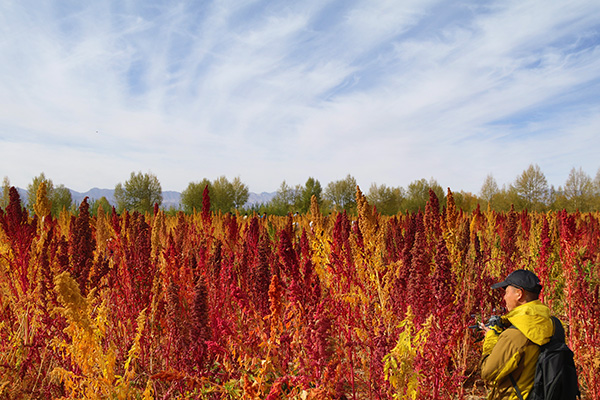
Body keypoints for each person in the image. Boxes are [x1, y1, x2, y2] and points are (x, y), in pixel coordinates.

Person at [480, 269, 555, 400]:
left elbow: (488, 372)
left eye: (507, 292)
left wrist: (491, 338)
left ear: (519, 294)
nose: (504, 297)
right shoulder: (550, 323)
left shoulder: (515, 335)